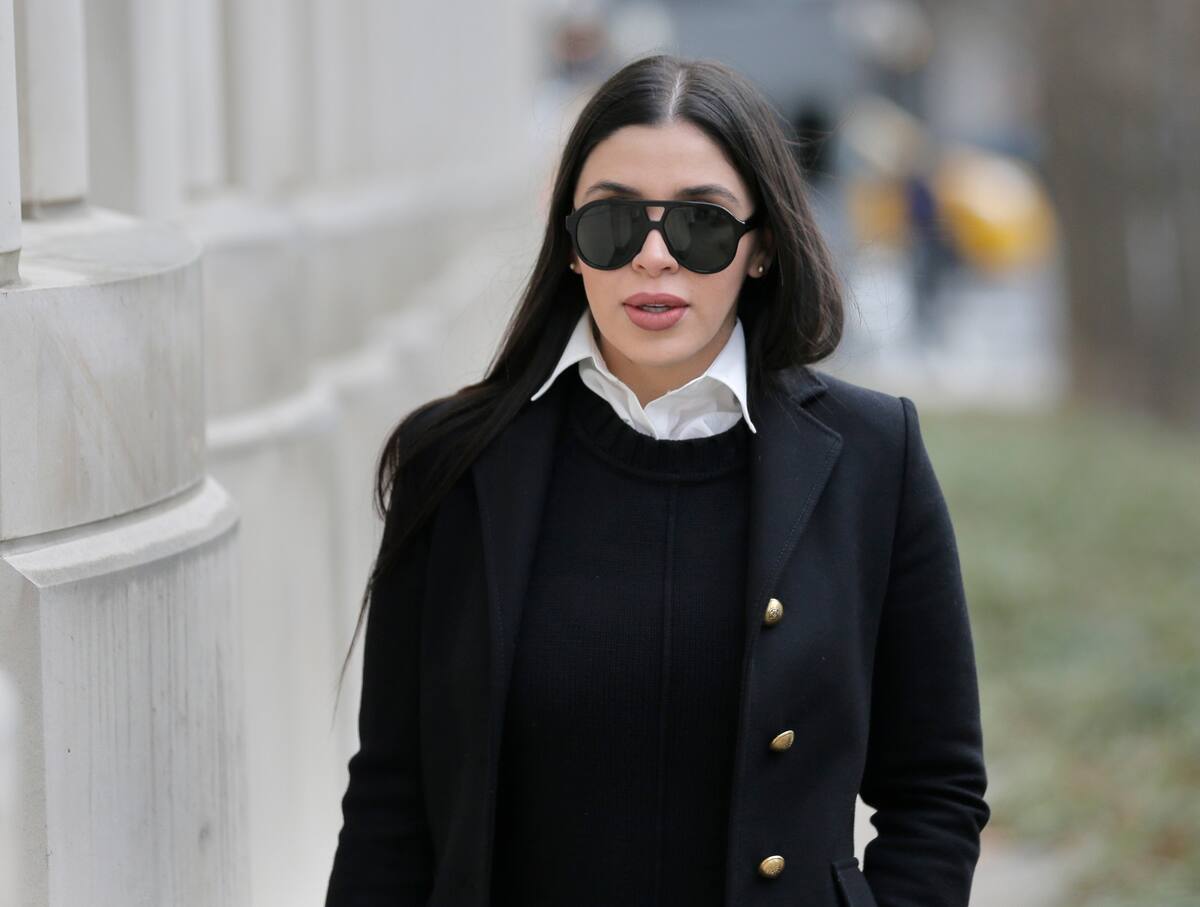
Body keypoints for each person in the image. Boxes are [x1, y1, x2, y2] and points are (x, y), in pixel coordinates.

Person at [325, 53, 989, 907]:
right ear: (569, 247)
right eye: (611, 222)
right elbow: (392, 797)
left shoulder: (870, 456)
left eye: (700, 223)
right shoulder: (455, 463)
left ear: (762, 247)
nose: (651, 256)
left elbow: (935, 789)